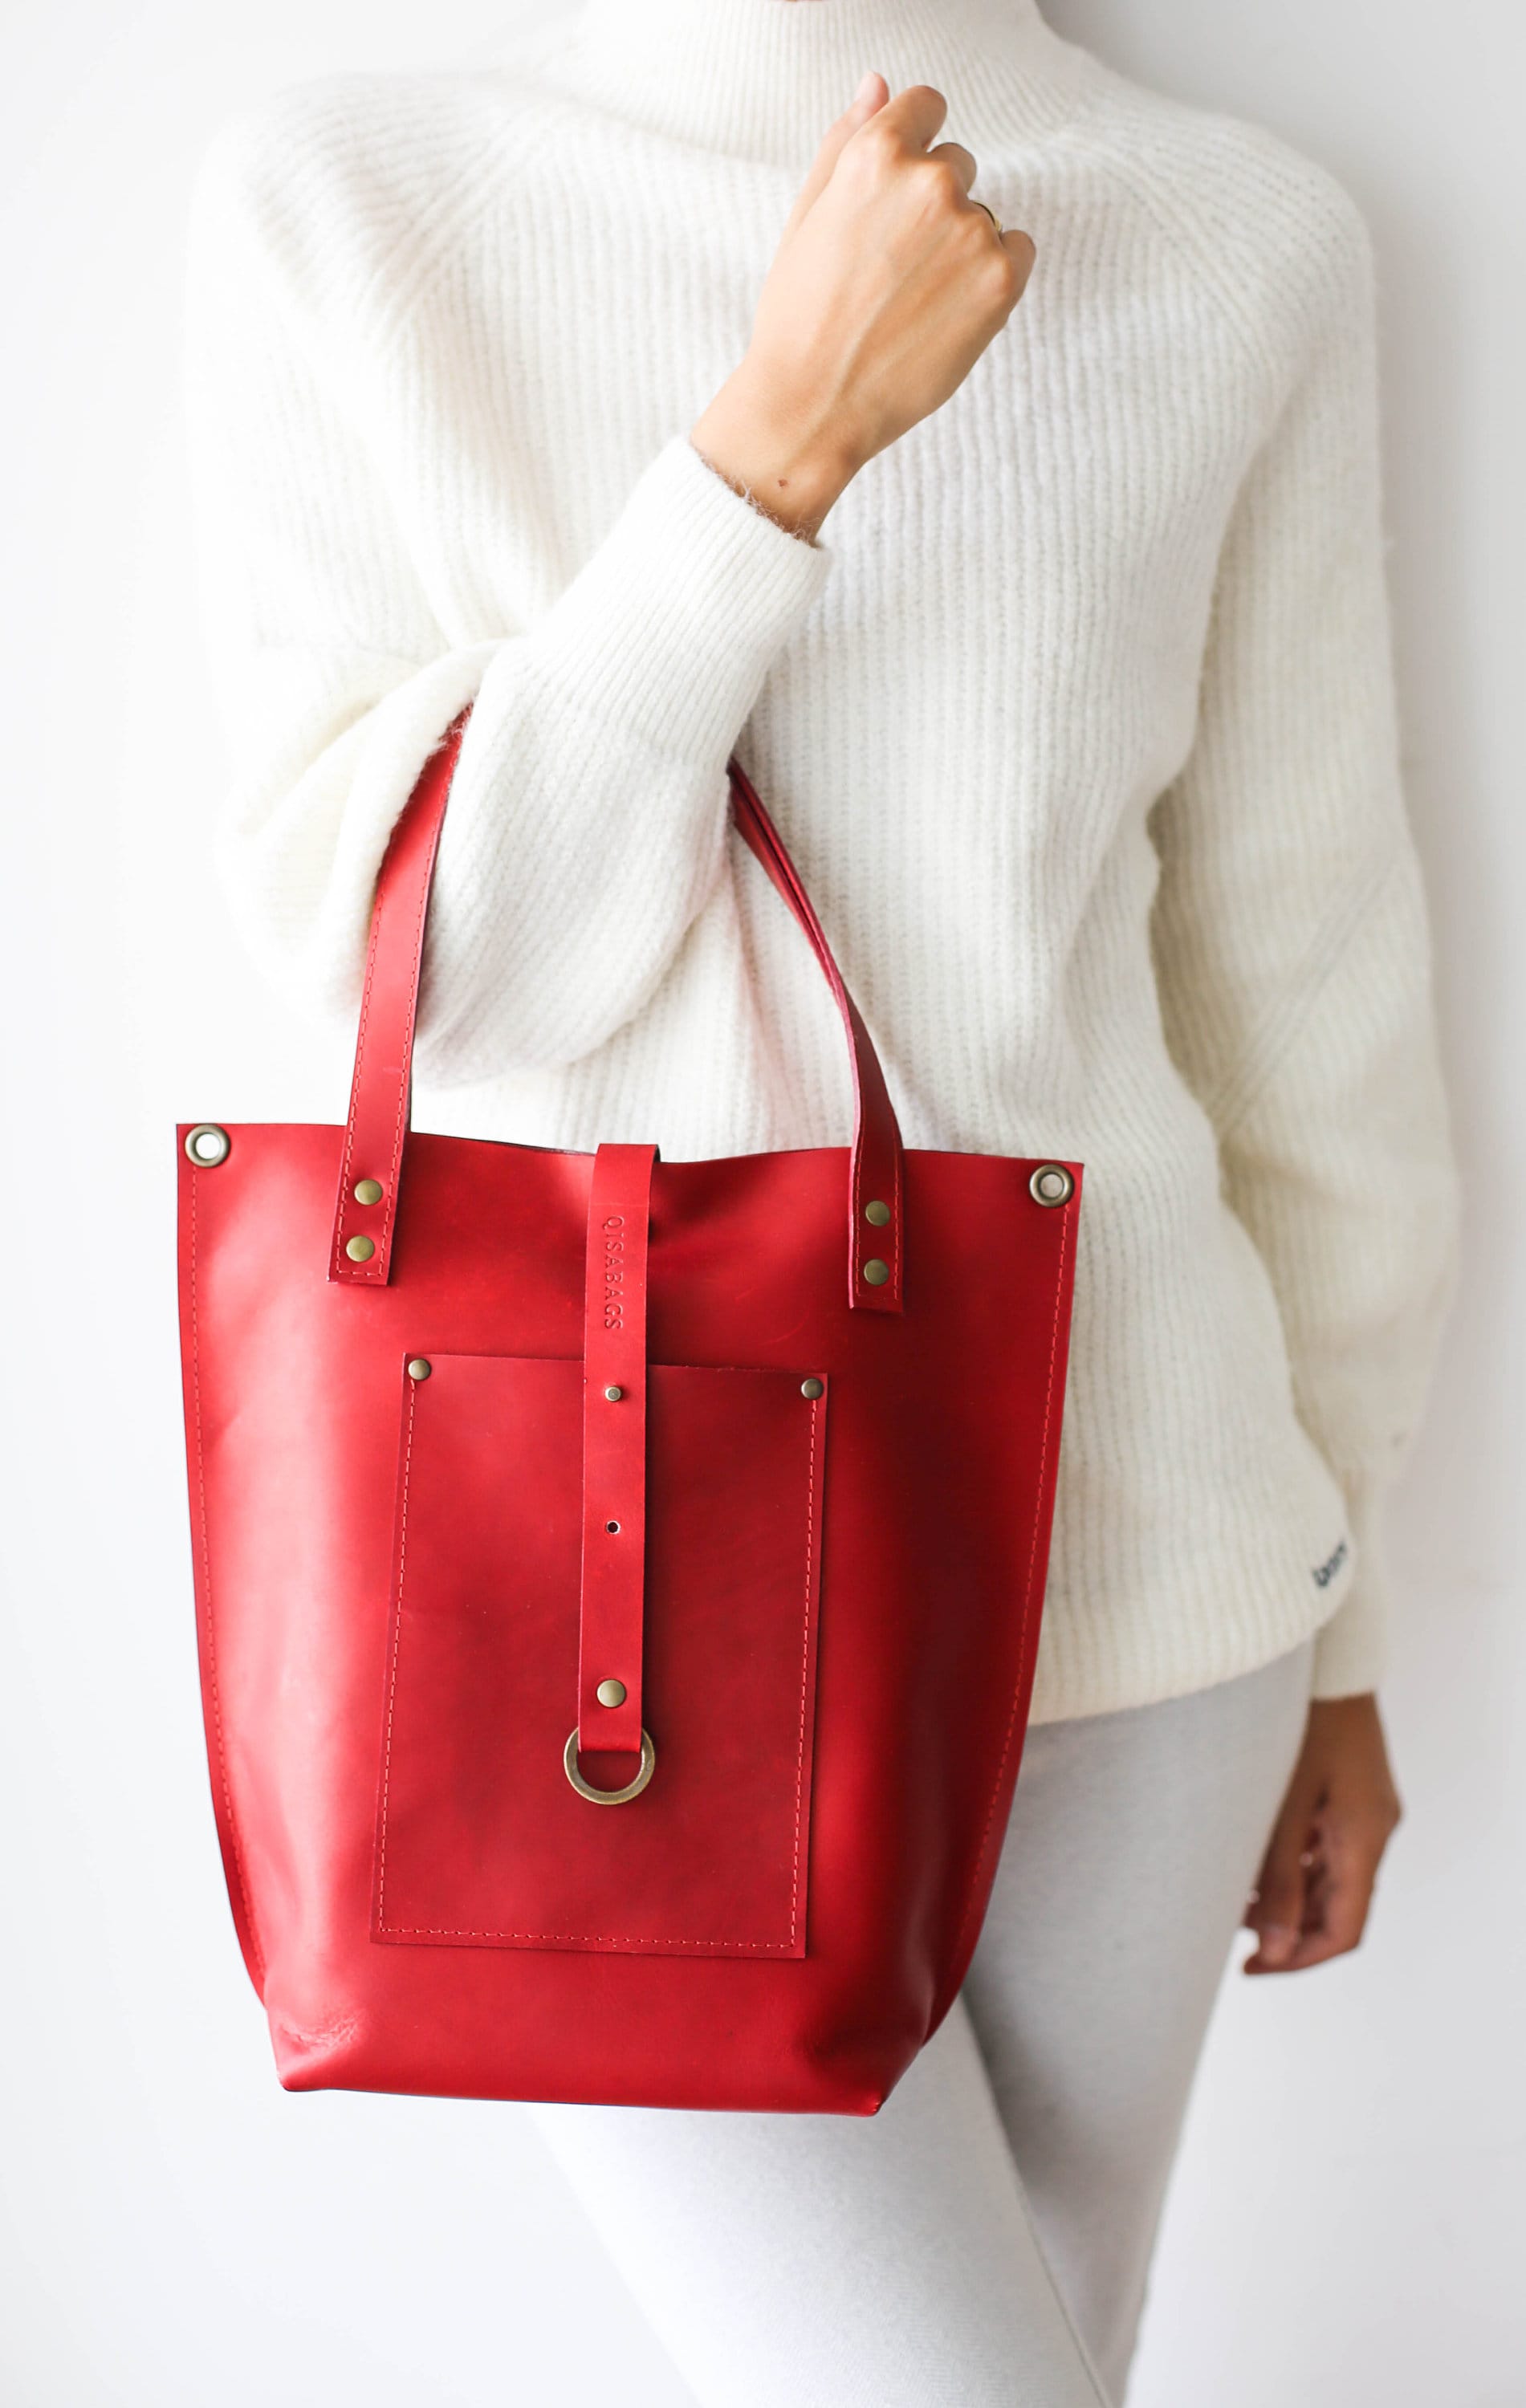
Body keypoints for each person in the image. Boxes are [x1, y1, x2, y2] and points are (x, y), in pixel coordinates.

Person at [183, 0, 1460, 2398]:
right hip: (611, 1635)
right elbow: (461, 981)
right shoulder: (348, 210)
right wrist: (774, 450)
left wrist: (1347, 1619)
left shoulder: (1243, 240)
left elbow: (1305, 980)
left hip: (1155, 1588)